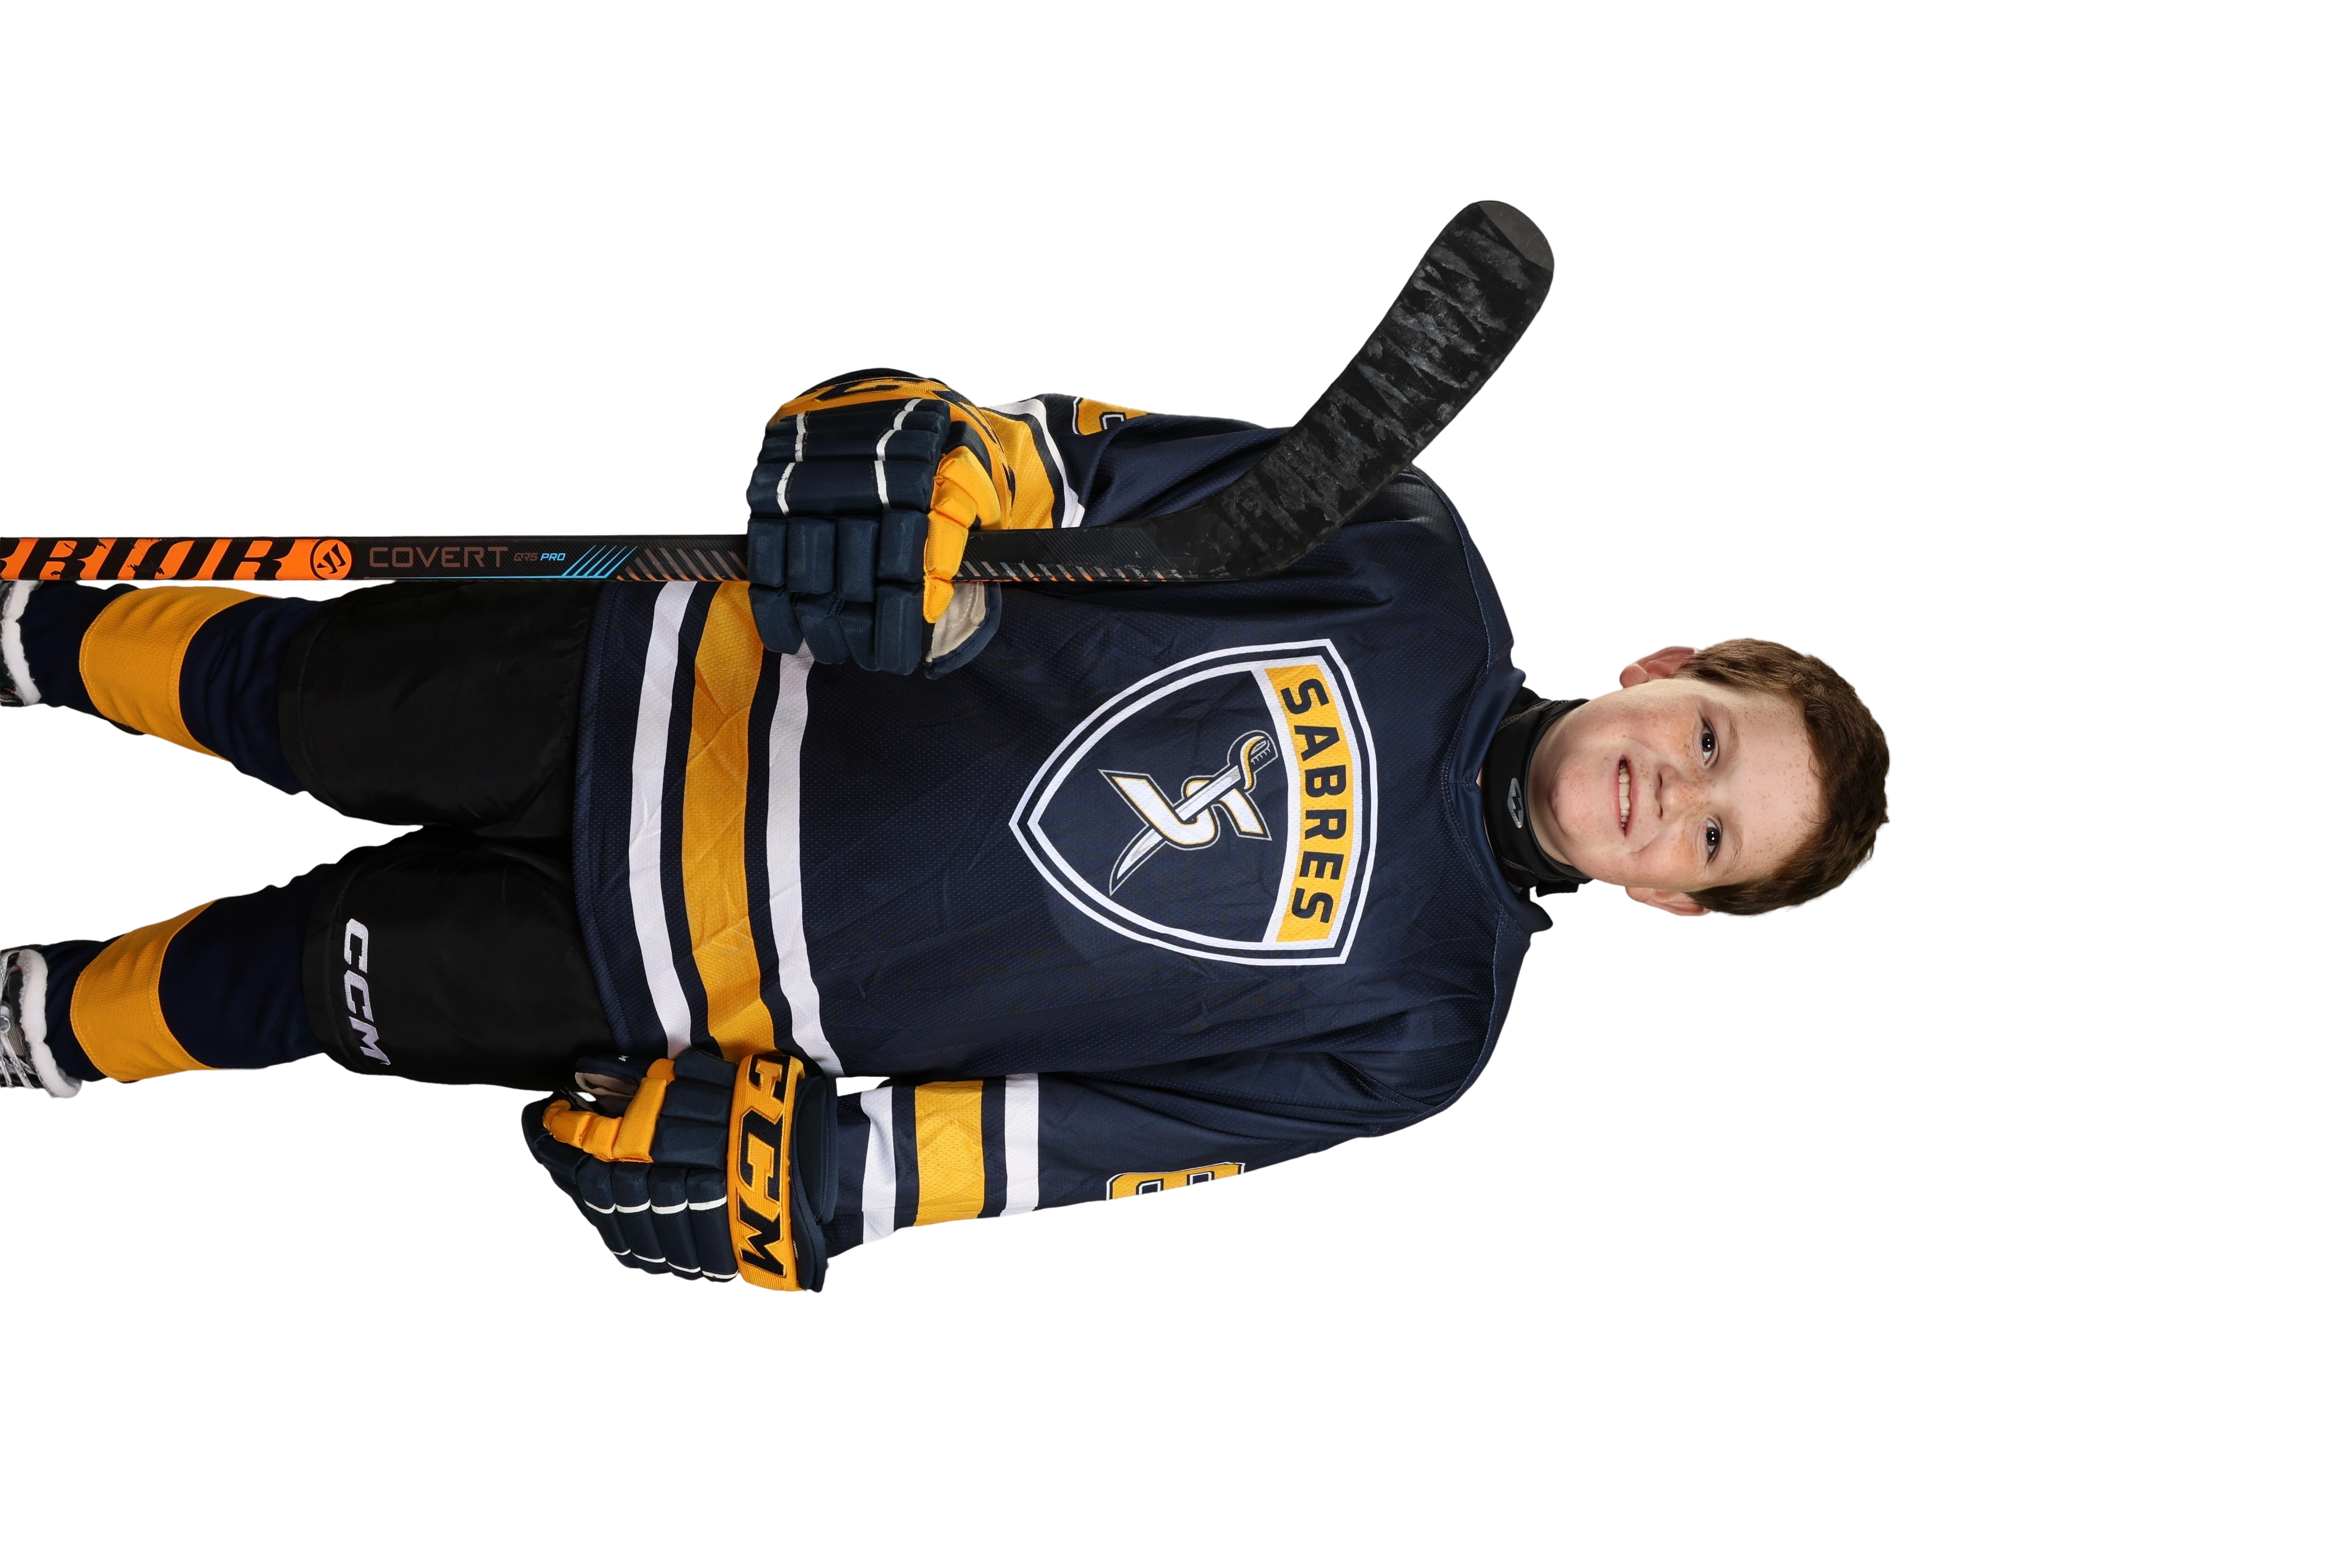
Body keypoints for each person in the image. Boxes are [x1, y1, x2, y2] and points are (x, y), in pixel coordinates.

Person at [0, 373, 1894, 1292]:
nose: (1674, 793)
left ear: (1676, 901)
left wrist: (829, 1189)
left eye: (1715, 839)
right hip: (660, 682)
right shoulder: (1401, 550)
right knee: (283, 689)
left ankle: (30, 1030)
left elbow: (1084, 1139)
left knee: (282, 994)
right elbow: (1056, 459)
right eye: (1707, 739)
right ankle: (19, 631)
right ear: (1665, 665)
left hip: (676, 981)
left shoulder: (1423, 1029)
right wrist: (923, 463)